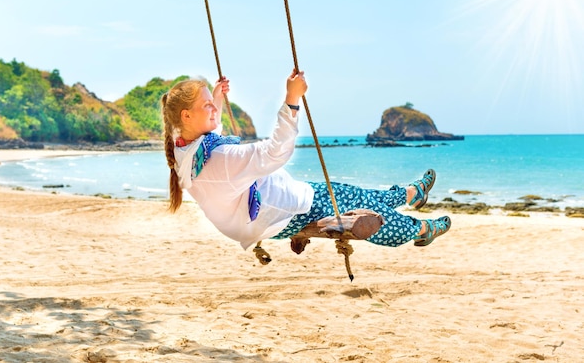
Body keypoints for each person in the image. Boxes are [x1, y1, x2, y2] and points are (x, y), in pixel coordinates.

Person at [160, 70, 451, 251]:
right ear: (186, 116)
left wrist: (217, 99)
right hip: (287, 210)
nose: (213, 108)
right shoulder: (220, 160)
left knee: (353, 193)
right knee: (369, 215)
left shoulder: (183, 150)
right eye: (206, 105)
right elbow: (275, 152)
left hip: (261, 211)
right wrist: (292, 100)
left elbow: (213, 131)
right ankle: (421, 230)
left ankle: (409, 194)